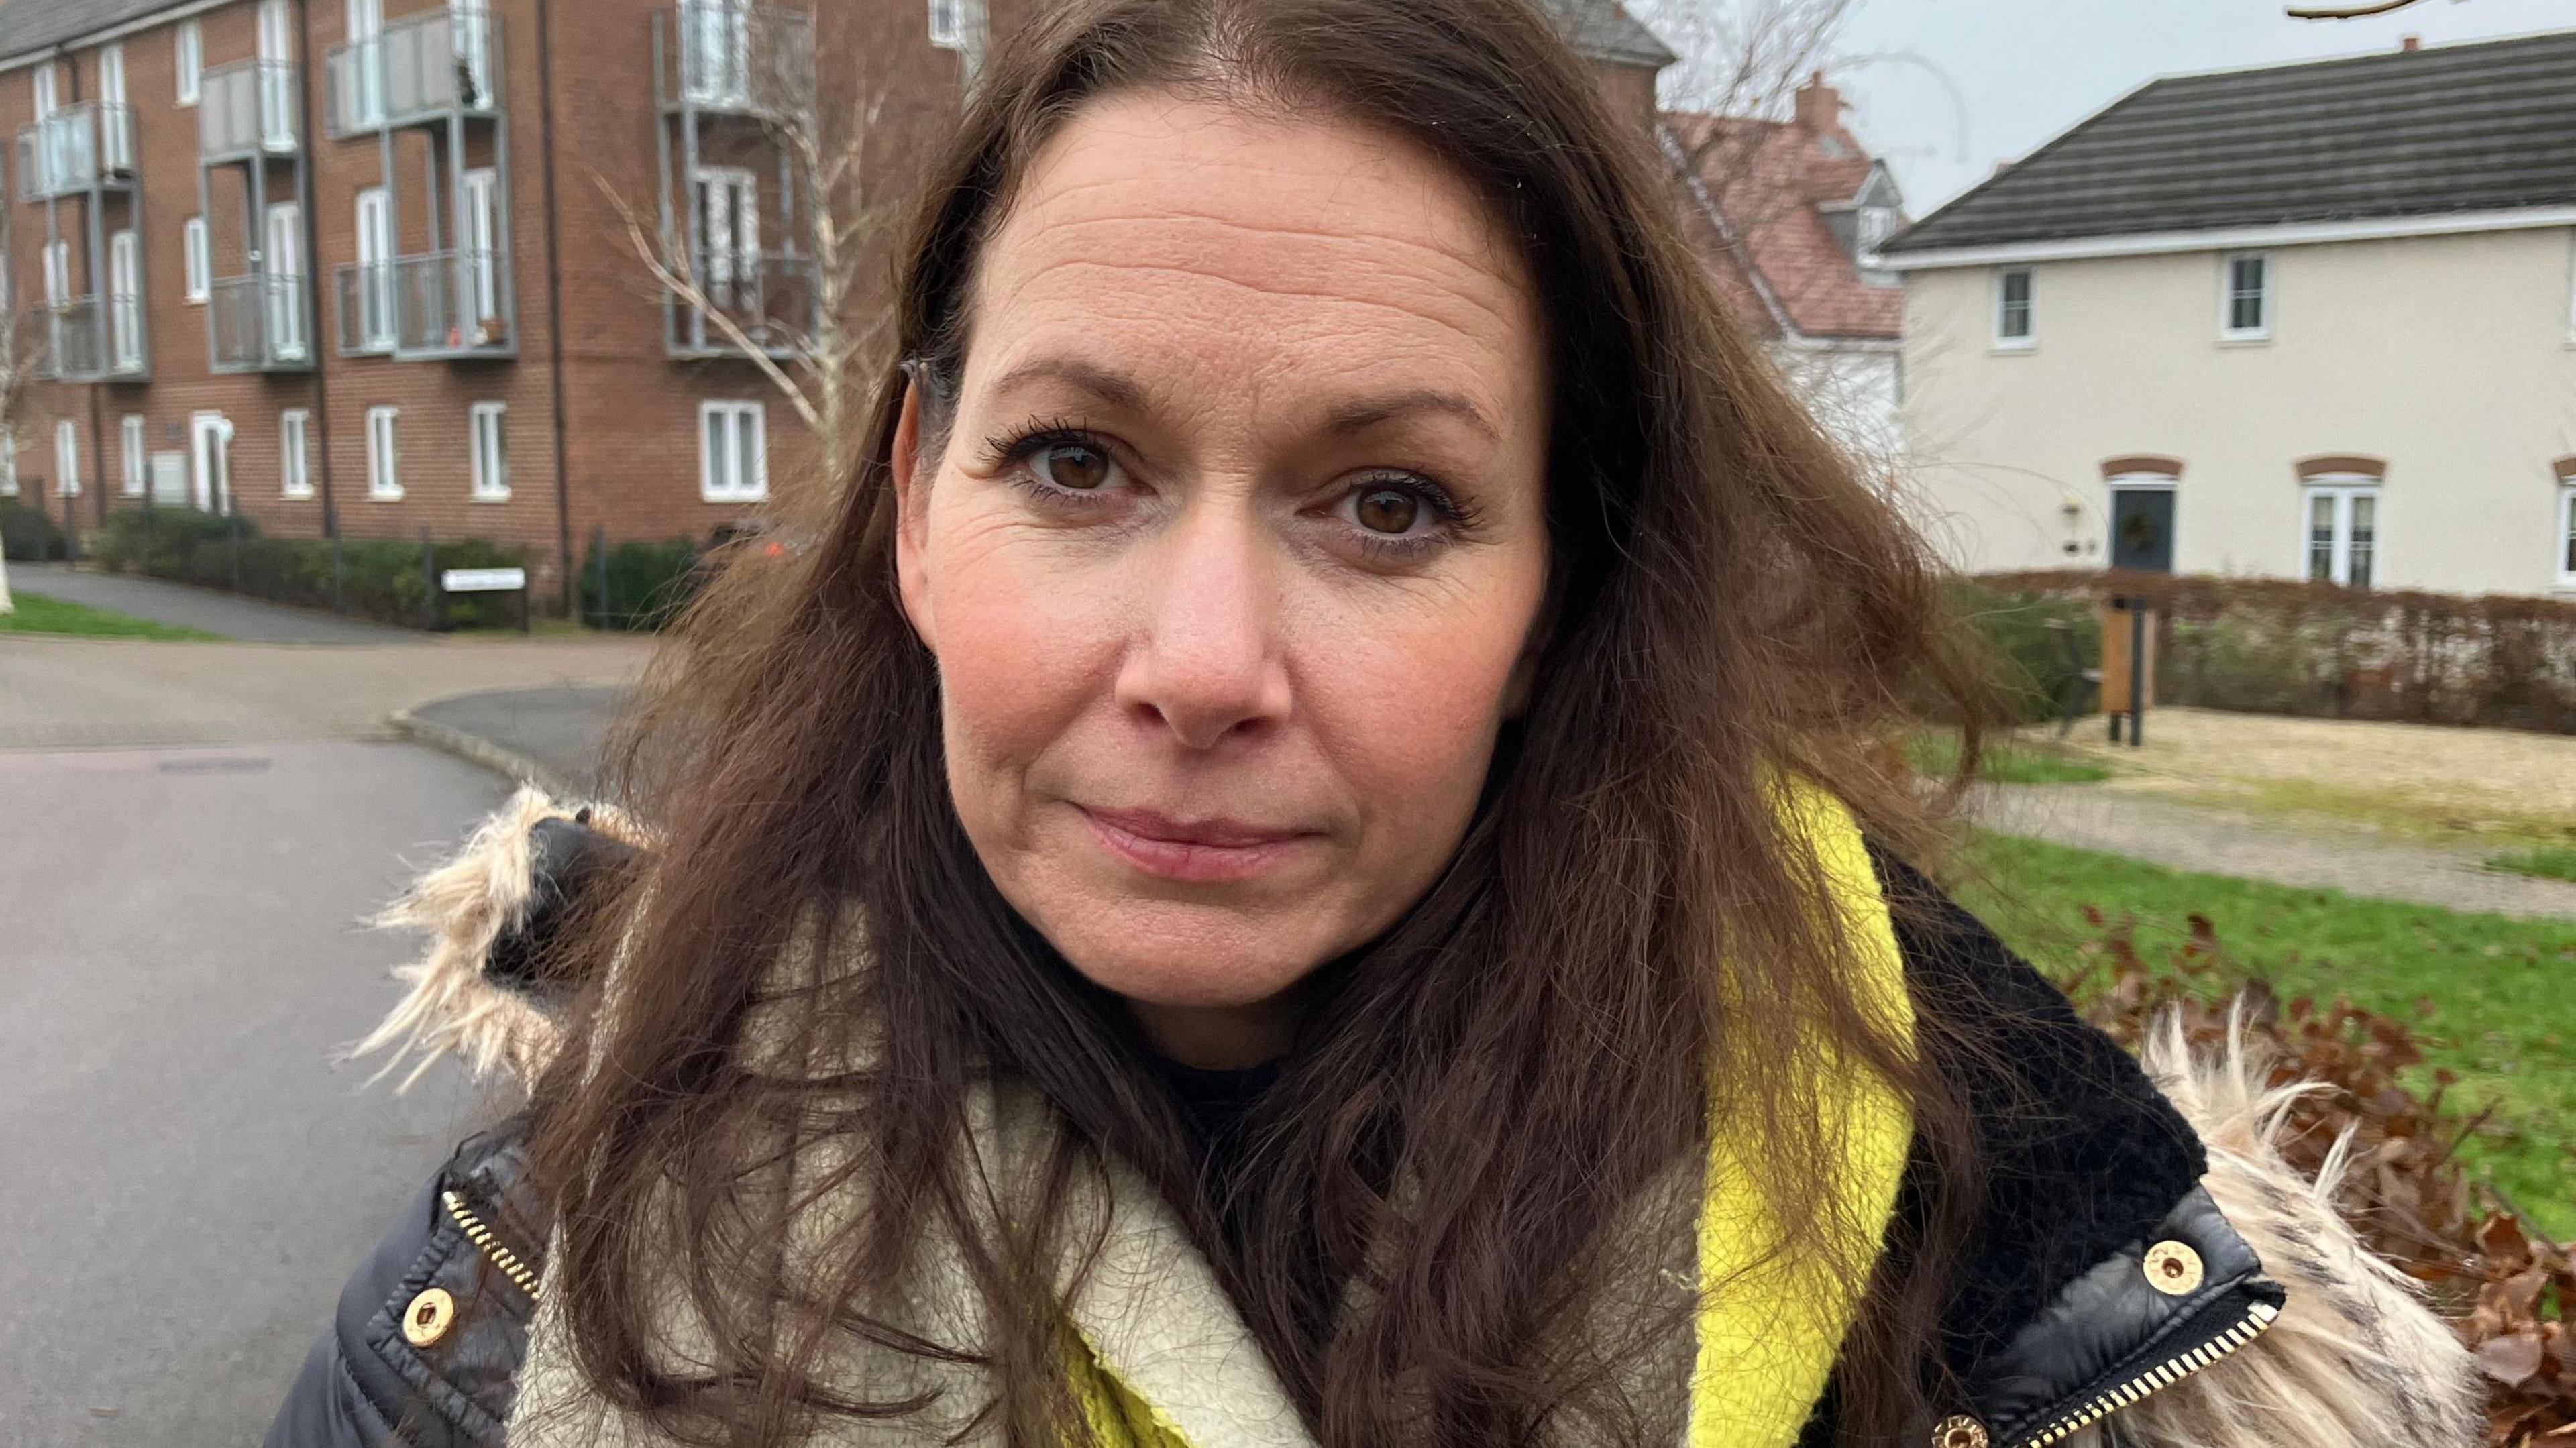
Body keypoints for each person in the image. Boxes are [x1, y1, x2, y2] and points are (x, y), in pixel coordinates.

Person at [264, 1, 2484, 1445]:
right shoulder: (521, 1297)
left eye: (1392, 503)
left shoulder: (2019, 1288)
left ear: (1557, 601)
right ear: (914, 505)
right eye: (1077, 464)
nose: (1206, 662)